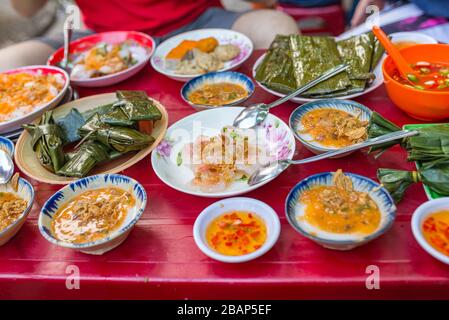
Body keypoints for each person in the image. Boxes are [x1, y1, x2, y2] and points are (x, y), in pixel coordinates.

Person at [0, 0, 299, 72]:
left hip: (198, 22)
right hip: (105, 40)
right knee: (7, 63)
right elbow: (25, 9)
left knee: (277, 27)